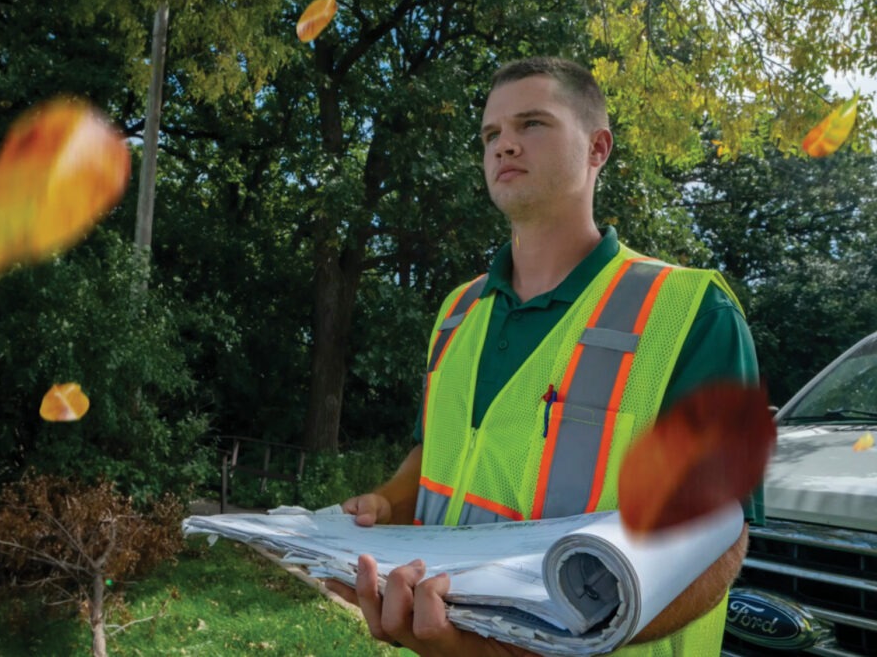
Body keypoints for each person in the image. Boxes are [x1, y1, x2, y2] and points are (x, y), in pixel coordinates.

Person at [325, 57, 760, 656]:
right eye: (490, 135)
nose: (504, 145)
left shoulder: (693, 313)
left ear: (597, 148)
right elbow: (434, 457)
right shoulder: (457, 312)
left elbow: (718, 540)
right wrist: (387, 504)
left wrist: (535, 648)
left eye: (532, 124)